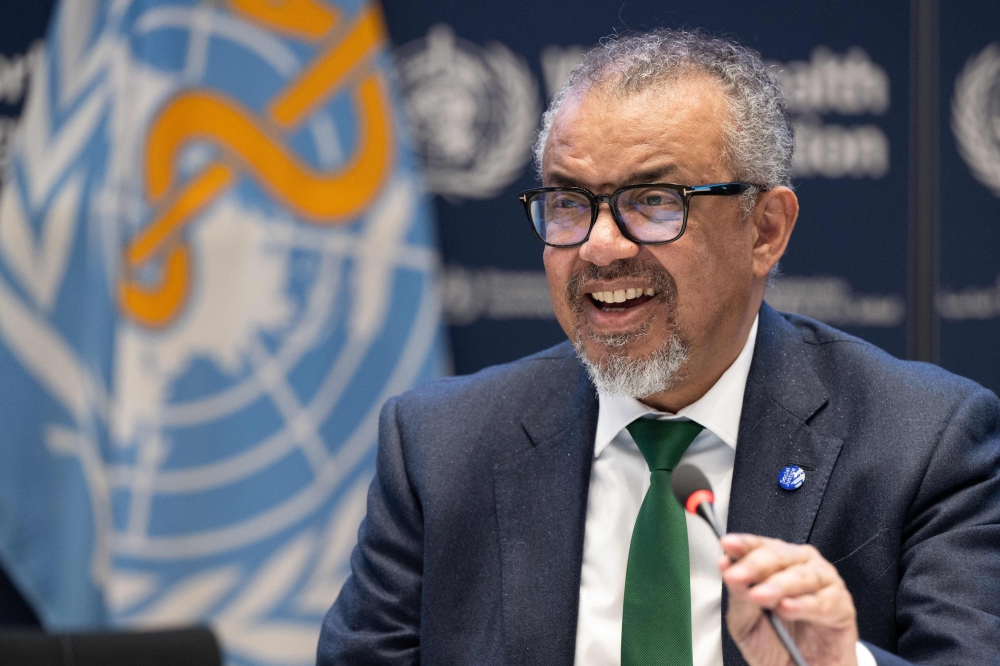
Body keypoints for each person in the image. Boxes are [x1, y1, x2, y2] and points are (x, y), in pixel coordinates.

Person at [318, 29, 1000, 666]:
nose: (600, 246)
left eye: (653, 200)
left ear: (764, 230)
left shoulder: (923, 445)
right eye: (568, 202)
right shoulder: (440, 449)